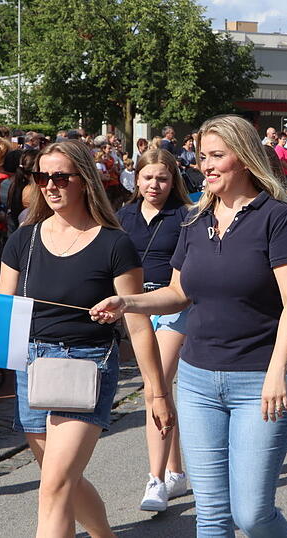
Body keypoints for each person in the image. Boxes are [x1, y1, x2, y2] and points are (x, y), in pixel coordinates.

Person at [91, 114, 287, 536]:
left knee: (251, 513)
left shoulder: (276, 218)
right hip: (197, 383)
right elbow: (178, 292)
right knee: (211, 514)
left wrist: (277, 371)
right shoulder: (193, 220)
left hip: (258, 382)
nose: (205, 165)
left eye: (216, 156)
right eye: (202, 156)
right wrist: (127, 301)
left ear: (243, 159)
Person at [0, 140, 176, 536]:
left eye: (60, 176)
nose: (50, 185)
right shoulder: (22, 240)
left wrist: (157, 392)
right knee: (62, 480)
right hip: (32, 366)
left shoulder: (114, 243)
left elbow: (137, 321)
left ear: (84, 181)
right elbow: (2, 317)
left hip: (87, 364)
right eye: (42, 176)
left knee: (54, 487)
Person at [116, 148, 192, 512]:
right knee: (160, 389)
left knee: (155, 385)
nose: (155, 185)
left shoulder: (185, 216)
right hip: (134, 308)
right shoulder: (123, 215)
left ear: (172, 179)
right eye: (148, 177)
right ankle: (176, 472)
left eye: (162, 178)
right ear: (137, 178)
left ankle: (156, 480)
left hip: (173, 307)